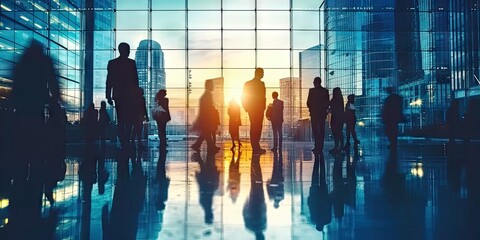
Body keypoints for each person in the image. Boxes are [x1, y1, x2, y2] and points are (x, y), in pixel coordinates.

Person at [106, 42, 139, 148]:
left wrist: (108, 95)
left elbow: (109, 80)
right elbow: (135, 81)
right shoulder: (131, 63)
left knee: (121, 119)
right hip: (129, 96)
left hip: (118, 95)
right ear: (126, 51)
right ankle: (126, 138)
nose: (129, 52)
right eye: (128, 50)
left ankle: (123, 138)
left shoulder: (112, 63)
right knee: (129, 119)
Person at [242, 68, 267, 154]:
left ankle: (255, 146)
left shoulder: (248, 83)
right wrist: (262, 108)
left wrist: (247, 108)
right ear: (258, 73)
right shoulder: (261, 84)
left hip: (253, 110)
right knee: (257, 127)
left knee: (254, 127)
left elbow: (244, 97)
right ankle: (256, 147)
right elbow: (263, 98)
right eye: (262, 73)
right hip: (257, 110)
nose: (263, 74)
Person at [191, 80, 217, 152]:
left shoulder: (204, 96)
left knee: (206, 134)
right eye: (212, 85)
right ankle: (199, 145)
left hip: (205, 120)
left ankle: (199, 145)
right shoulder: (208, 96)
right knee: (206, 134)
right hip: (207, 120)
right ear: (209, 85)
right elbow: (208, 110)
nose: (213, 86)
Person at [307, 77, 329, 154]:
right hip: (322, 114)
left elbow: (308, 102)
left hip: (314, 114)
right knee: (322, 130)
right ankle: (321, 147)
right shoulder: (325, 91)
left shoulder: (311, 91)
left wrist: (312, 109)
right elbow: (327, 103)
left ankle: (317, 146)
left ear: (315, 82)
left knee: (315, 130)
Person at [381, 87, 403, 151]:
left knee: (389, 131)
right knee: (393, 131)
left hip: (390, 118)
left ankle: (392, 144)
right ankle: (393, 144)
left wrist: (384, 117)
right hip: (394, 118)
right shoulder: (396, 98)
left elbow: (385, 109)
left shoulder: (389, 99)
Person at [329, 87, 344, 154]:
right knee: (339, 132)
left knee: (335, 133)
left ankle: (337, 146)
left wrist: (329, 110)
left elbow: (332, 109)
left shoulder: (334, 100)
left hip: (335, 118)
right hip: (340, 118)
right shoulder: (340, 99)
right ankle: (340, 146)